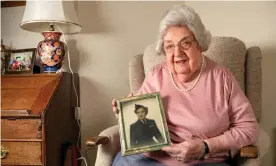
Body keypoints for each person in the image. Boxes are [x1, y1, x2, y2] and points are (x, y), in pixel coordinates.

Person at [112, 4, 258, 166]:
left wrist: (206, 146)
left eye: (185, 43)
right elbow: (141, 120)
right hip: (150, 160)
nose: (177, 53)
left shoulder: (222, 79)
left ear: (199, 45)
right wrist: (124, 114)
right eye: (169, 46)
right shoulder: (156, 75)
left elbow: (248, 128)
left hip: (203, 162)